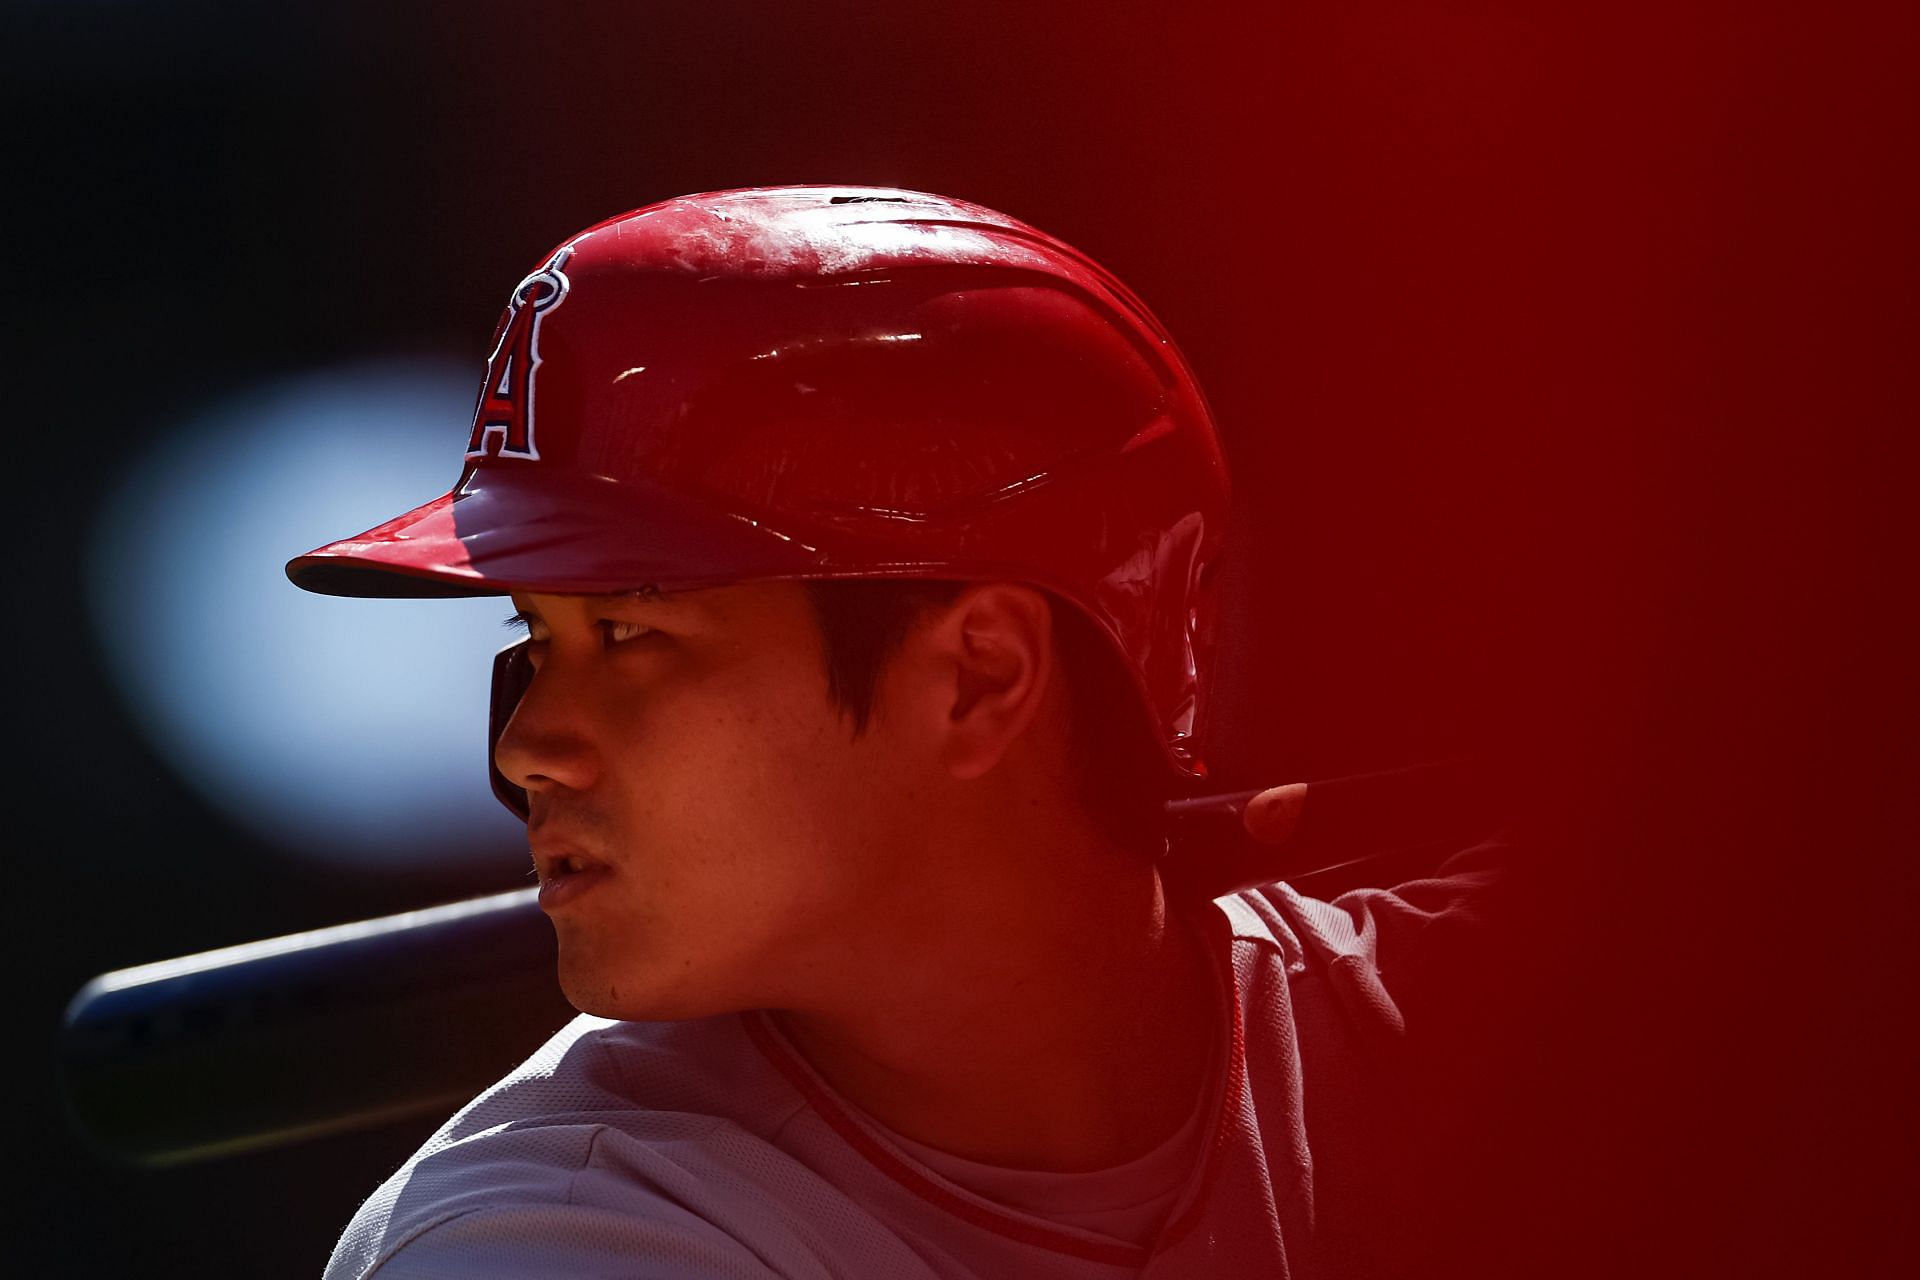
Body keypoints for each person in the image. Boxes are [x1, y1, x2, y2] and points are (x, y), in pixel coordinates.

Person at [290, 185, 1513, 1278]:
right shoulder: (547, 1233)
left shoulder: (1507, 1042)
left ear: (978, 677)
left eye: (627, 632)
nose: (525, 747)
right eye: (535, 639)